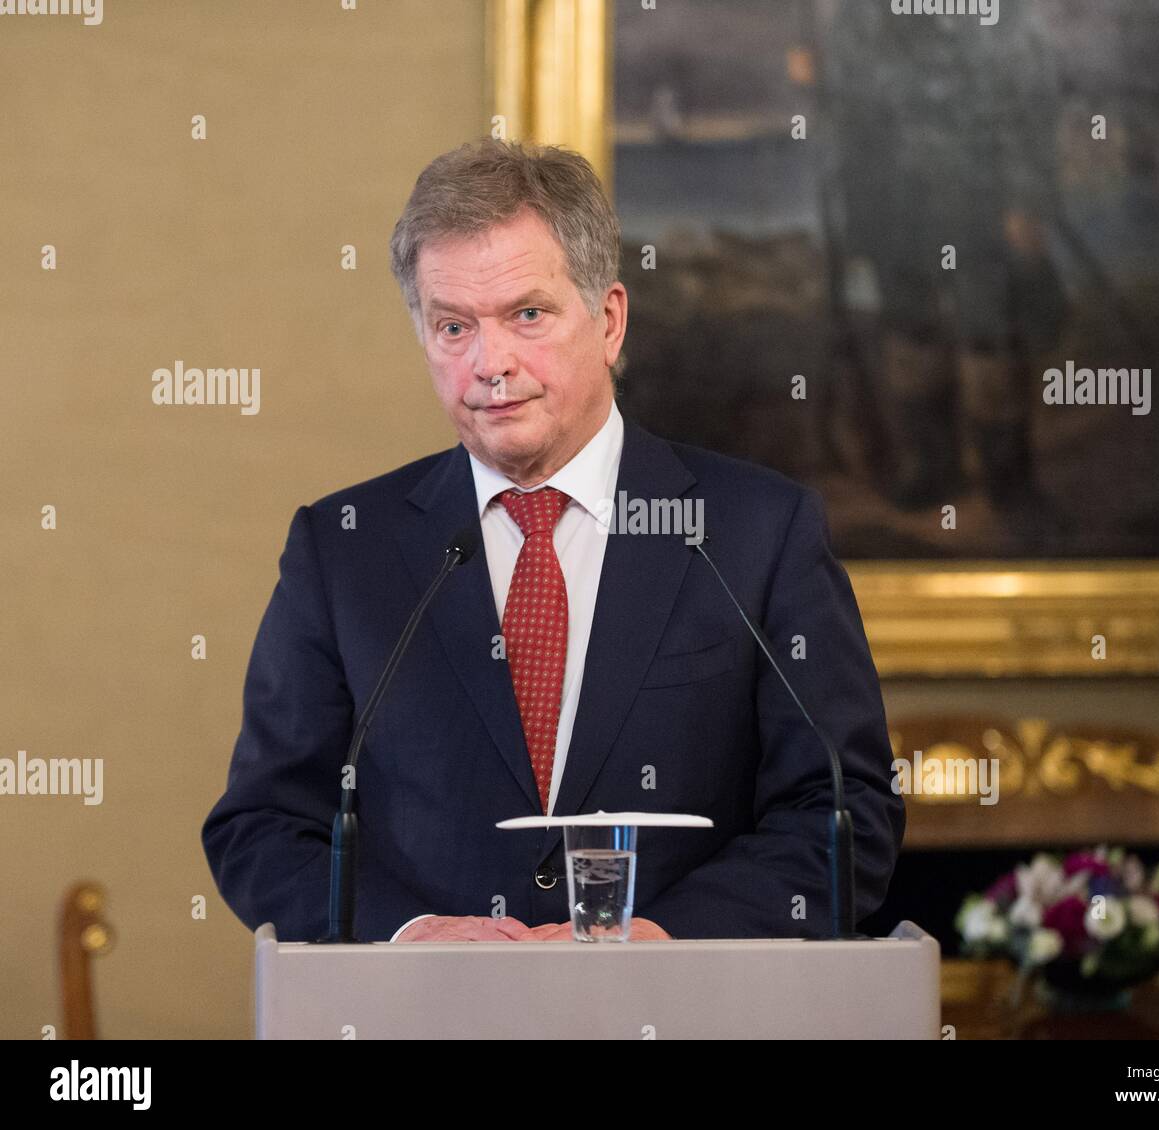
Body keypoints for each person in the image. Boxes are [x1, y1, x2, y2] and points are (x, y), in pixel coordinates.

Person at [201, 137, 904, 943]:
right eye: (453, 326)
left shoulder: (756, 533)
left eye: (526, 315)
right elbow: (260, 826)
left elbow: (844, 814)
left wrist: (669, 938)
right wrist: (409, 934)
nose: (489, 363)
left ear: (607, 321)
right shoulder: (343, 550)